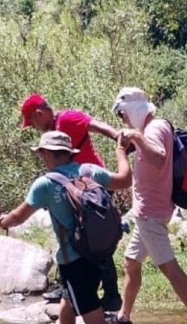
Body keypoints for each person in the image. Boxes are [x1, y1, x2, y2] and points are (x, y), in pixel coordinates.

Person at [0, 130, 135, 324]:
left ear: (48, 153)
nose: (42, 158)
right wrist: (121, 151)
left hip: (74, 263)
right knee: (67, 306)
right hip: (98, 254)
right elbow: (125, 180)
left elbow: (18, 217)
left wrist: (3, 221)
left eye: (42, 154)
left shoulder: (46, 184)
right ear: (70, 154)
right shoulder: (90, 171)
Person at [112, 86, 187, 324]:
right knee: (131, 262)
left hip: (151, 212)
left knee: (169, 267)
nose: (122, 120)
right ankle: (123, 318)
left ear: (133, 110)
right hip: (146, 212)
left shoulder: (153, 128)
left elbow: (159, 159)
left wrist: (135, 136)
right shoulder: (150, 130)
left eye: (122, 114)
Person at [20, 94, 123, 311]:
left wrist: (119, 139)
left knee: (93, 239)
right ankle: (69, 287)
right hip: (74, 188)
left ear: (39, 114)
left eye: (33, 122)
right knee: (69, 233)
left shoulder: (66, 119)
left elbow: (95, 125)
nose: (34, 127)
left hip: (92, 188)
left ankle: (112, 295)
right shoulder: (54, 129)